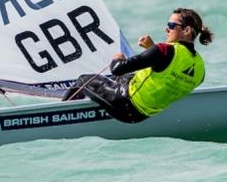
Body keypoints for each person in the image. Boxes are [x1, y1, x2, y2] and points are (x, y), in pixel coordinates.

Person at [63, 8, 213, 123]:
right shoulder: (200, 68)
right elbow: (166, 75)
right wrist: (152, 48)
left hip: (125, 104)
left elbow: (117, 70)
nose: (166, 29)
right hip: (144, 115)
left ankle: (62, 116)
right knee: (127, 76)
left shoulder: (165, 50)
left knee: (84, 80)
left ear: (186, 30)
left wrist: (117, 59)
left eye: (171, 25)